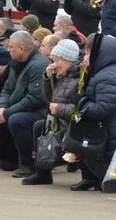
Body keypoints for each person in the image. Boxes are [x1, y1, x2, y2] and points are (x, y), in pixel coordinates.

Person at [73, 35, 116, 191]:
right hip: (107, 128)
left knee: (100, 163)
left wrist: (82, 103)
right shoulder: (105, 71)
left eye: (87, 53)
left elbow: (102, 109)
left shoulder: (108, 75)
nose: (85, 57)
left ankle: (100, 179)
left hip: (109, 131)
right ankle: (91, 178)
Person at [0, 30, 49, 177]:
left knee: (17, 120)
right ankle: (10, 159)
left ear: (21, 48)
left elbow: (35, 99)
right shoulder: (16, 63)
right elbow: (7, 89)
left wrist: (8, 112)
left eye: (11, 47)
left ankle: (29, 164)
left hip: (41, 111)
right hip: (22, 108)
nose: (8, 50)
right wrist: (2, 108)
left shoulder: (38, 65)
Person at [23, 39, 82, 186]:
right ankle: (42, 172)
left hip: (73, 122)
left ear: (68, 60)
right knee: (39, 126)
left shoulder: (79, 78)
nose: (54, 64)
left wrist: (60, 109)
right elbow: (49, 99)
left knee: (43, 127)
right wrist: (47, 79)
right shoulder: (63, 75)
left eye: (57, 60)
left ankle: (46, 167)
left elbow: (80, 107)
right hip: (60, 119)